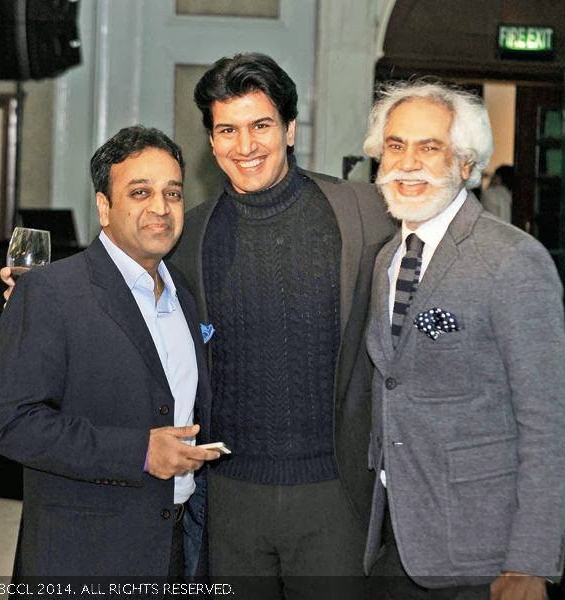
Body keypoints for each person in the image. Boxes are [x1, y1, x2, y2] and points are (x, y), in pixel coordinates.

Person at [169, 53, 395, 596]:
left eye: (261, 125)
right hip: (229, 499)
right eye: (227, 129)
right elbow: (119, 290)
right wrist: (36, 297)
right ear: (212, 140)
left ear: (290, 129)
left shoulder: (365, 213)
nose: (245, 146)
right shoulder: (187, 237)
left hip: (335, 497)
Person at [362, 80, 565, 599]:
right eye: (395, 146)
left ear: (465, 164)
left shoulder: (512, 260)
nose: (407, 163)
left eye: (429, 147)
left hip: (486, 555)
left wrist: (528, 561)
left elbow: (549, 423)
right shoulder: (386, 260)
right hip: (397, 544)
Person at [0, 125, 221, 578]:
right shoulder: (50, 292)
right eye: (140, 192)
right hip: (83, 558)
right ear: (104, 207)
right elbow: (12, 424)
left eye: (173, 194)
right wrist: (139, 452)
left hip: (176, 550)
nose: (161, 207)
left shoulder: (186, 295)